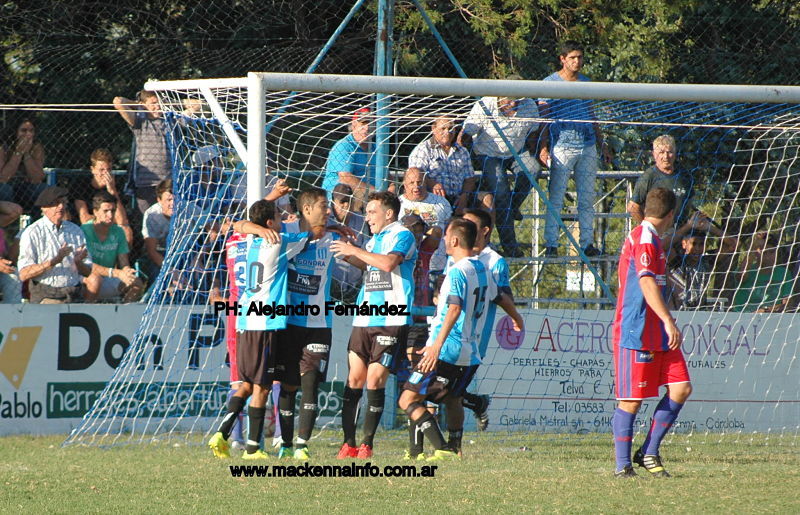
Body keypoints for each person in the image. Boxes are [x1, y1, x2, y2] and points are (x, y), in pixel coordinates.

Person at [208, 199, 309, 459]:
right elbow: (311, 234)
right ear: (269, 223)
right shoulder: (278, 242)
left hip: (244, 322)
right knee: (262, 387)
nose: (282, 218)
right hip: (264, 324)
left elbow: (238, 225)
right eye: (278, 215)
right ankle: (253, 448)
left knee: (247, 383)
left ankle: (222, 432)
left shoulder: (246, 241)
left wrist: (253, 227)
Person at [611, 187, 692, 478]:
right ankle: (622, 466)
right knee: (631, 400)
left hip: (657, 329)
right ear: (670, 215)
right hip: (637, 329)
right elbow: (646, 284)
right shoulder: (644, 239)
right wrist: (669, 320)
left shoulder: (652, 238)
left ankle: (648, 451)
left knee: (681, 387)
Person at [330, 191, 417, 459]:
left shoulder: (402, 235)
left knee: (374, 379)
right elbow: (370, 266)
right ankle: (348, 443)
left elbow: (389, 263)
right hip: (365, 317)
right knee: (354, 378)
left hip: (391, 318)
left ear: (388, 213)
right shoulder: (374, 241)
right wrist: (347, 254)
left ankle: (367, 443)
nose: (367, 218)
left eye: (371, 212)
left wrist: (355, 251)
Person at [274, 188, 341, 460]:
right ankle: (286, 444)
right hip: (287, 321)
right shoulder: (285, 230)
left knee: (310, 383)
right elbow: (248, 226)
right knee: (288, 385)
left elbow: (352, 258)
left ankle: (302, 444)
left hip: (318, 322)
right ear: (306, 209)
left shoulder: (333, 237)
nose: (328, 211)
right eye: (324, 206)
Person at [539, 41, 613, 257]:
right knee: (556, 196)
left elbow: (592, 115)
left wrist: (602, 145)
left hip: (588, 146)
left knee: (587, 198)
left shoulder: (586, 82)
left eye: (580, 57)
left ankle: (587, 243)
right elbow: (544, 119)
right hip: (562, 146)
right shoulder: (549, 83)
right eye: (572, 57)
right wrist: (543, 147)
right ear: (562, 59)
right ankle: (551, 244)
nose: (577, 61)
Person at [459, 90, 541, 257]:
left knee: (533, 169)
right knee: (501, 190)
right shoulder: (485, 104)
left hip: (516, 152)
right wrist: (459, 157)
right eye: (509, 100)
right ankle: (510, 246)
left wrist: (540, 151)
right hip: (487, 153)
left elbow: (534, 132)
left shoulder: (529, 105)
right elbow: (466, 134)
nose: (512, 104)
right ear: (499, 96)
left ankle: (513, 207)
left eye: (517, 100)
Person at [627, 135, 707, 252]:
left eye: (669, 152)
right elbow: (633, 207)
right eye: (661, 152)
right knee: (668, 254)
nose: (665, 156)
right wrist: (650, 229)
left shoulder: (684, 176)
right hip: (660, 233)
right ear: (654, 154)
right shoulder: (649, 176)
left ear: (675, 153)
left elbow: (688, 203)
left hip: (683, 231)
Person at [17, 186, 94, 303]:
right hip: (46, 295)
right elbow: (23, 274)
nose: (61, 207)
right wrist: (54, 261)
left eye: (64, 202)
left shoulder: (75, 230)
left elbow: (87, 272)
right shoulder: (32, 232)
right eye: (56, 203)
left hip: (74, 293)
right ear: (44, 208)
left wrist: (78, 262)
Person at [409, 116, 493, 214]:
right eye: (443, 128)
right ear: (434, 129)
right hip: (433, 196)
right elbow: (415, 176)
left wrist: (464, 196)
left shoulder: (462, 151)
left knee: (487, 199)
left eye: (450, 128)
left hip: (460, 196)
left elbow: (470, 179)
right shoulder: (423, 150)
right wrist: (433, 184)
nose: (447, 132)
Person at [113, 90, 172, 215]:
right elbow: (118, 102)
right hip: (146, 183)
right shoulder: (140, 122)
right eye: (153, 103)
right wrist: (139, 105)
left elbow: (196, 105)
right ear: (144, 104)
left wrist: (171, 103)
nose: (158, 106)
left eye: (160, 103)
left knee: (168, 220)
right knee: (147, 219)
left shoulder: (170, 121)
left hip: (167, 183)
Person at [81, 191, 143, 303]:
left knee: (137, 284)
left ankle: (122, 313)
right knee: (95, 280)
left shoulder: (119, 231)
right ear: (95, 212)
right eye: (105, 211)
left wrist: (127, 272)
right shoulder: (83, 231)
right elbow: (86, 265)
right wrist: (116, 273)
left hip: (110, 277)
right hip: (87, 278)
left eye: (113, 211)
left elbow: (124, 263)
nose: (110, 215)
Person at [72, 148, 133, 245]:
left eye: (108, 169)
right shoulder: (81, 185)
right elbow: (84, 218)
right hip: (90, 227)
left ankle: (123, 260)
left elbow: (121, 220)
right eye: (101, 170)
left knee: (126, 230)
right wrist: (109, 219)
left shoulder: (115, 186)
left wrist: (112, 191)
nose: (105, 173)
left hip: (109, 226)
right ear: (93, 170)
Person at [322, 108, 377, 211]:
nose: (367, 128)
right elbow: (346, 178)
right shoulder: (344, 146)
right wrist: (377, 193)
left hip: (371, 201)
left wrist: (391, 188)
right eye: (363, 123)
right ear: (354, 125)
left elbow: (388, 176)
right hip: (341, 202)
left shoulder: (376, 148)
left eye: (371, 124)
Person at [398, 167, 451, 272]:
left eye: (419, 182)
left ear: (425, 182)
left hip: (437, 267)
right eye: (411, 183)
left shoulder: (441, 202)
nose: (416, 187)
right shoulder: (398, 204)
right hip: (406, 267)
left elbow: (449, 229)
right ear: (404, 185)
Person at [731, 232, 793, 313]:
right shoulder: (746, 269)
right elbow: (741, 276)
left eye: (772, 252)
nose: (768, 257)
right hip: (743, 316)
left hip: (772, 317)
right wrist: (754, 246)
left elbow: (787, 302)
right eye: (764, 252)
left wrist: (765, 310)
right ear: (756, 253)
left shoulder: (783, 273)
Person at [328, 183, 369, 302]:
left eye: (349, 200)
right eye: (342, 201)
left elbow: (365, 249)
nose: (346, 205)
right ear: (332, 203)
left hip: (355, 285)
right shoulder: (325, 220)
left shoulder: (361, 220)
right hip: (331, 284)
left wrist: (351, 248)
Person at [0, 118, 47, 210]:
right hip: (5, 185)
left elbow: (37, 178)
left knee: (43, 189)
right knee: (6, 190)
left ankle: (36, 222)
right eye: (23, 131)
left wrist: (26, 154)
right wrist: (18, 153)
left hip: (23, 186)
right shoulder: (3, 148)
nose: (28, 134)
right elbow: (3, 177)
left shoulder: (36, 147)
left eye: (31, 131)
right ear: (15, 132)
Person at [141, 178, 173, 282]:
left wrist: (199, 257)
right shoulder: (152, 215)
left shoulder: (188, 208)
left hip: (185, 253)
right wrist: (172, 272)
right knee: (160, 278)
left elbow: (213, 227)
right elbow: (152, 251)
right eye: (169, 200)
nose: (173, 204)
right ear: (159, 200)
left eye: (176, 199)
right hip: (160, 255)